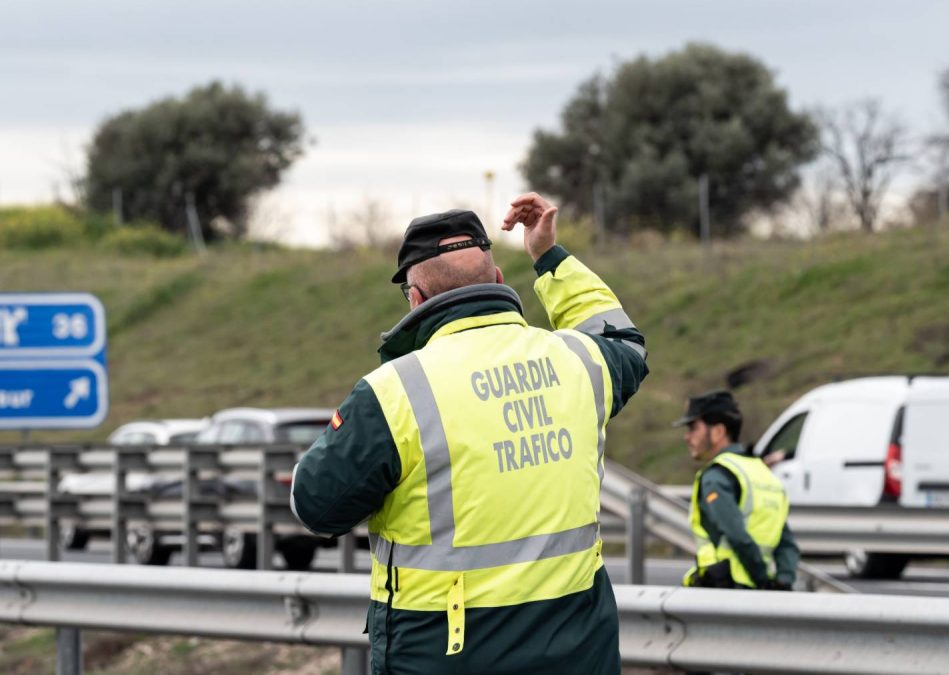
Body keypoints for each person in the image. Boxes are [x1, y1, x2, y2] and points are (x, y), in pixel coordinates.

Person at [291, 193, 648, 675]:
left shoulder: (396, 393)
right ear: (499, 280)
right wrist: (549, 257)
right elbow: (622, 339)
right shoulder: (580, 363)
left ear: (415, 299)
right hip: (579, 652)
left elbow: (316, 505)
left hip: (444, 654)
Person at [673, 390, 799, 590]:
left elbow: (737, 535)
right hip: (757, 594)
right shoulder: (763, 473)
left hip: (723, 590)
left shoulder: (716, 476)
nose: (687, 437)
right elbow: (786, 543)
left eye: (693, 427)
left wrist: (761, 580)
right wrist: (781, 582)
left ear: (718, 432)